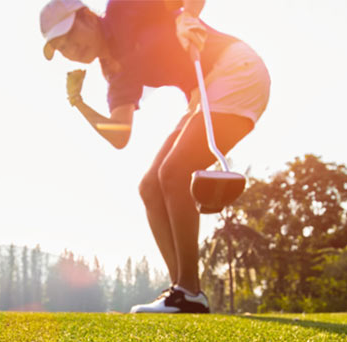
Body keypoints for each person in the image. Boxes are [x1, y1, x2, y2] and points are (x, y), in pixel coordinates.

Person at [40, 0, 270, 313]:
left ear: (87, 17)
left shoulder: (124, 8)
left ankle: (188, 291)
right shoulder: (114, 70)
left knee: (174, 173)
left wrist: (187, 16)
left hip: (235, 68)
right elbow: (120, 136)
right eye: (60, 47)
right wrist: (78, 102)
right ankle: (184, 294)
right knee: (150, 187)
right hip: (203, 95)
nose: (69, 48)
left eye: (68, 35)